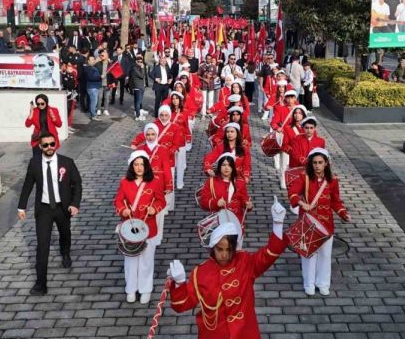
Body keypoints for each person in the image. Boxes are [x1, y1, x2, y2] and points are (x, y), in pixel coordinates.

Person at [168, 199, 288, 338]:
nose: (224, 255)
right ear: (213, 247)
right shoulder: (200, 273)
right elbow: (180, 306)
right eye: (220, 249)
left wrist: (278, 224)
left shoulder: (245, 262)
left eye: (229, 249)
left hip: (245, 332)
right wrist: (179, 283)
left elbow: (269, 254)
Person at [18, 133, 82, 296]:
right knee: (42, 246)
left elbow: (77, 184)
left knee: (65, 233)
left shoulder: (67, 162)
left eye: (51, 144)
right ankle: (41, 284)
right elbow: (27, 185)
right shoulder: (34, 164)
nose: (49, 147)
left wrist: (74, 204)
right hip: (44, 209)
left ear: (56, 144)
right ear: (40, 147)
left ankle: (65, 252)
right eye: (45, 145)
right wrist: (21, 207)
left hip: (62, 207)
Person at [287, 148, 350, 296]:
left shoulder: (332, 180)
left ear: (326, 163)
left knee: (325, 255)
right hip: (308, 222)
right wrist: (302, 204)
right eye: (314, 162)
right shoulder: (304, 177)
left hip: (326, 224)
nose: (317, 166)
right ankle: (308, 283)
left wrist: (343, 213)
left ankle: (323, 283)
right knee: (308, 254)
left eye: (320, 162)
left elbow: (336, 201)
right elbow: (293, 193)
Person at [114, 150, 166, 304]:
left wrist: (154, 209)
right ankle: (130, 289)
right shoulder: (124, 182)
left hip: (147, 227)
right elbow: (117, 201)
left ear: (146, 166)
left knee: (146, 260)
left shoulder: (155, 181)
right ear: (131, 166)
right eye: (136, 164)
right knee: (130, 260)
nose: (139, 168)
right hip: (130, 227)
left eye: (142, 164)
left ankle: (145, 289)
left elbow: (161, 201)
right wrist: (123, 210)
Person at [198, 153, 252, 225]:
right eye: (223, 165)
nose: (226, 168)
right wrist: (216, 202)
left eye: (229, 165)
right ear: (219, 166)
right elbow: (203, 202)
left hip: (236, 221)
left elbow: (244, 201)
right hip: (218, 221)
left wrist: (248, 205)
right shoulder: (211, 182)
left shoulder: (240, 182)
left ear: (233, 167)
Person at [84, 55, 102, 120]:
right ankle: (93, 115)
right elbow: (91, 78)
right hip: (92, 87)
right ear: (88, 61)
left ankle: (92, 114)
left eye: (93, 59)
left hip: (94, 87)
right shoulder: (88, 68)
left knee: (93, 102)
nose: (93, 61)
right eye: (91, 60)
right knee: (94, 102)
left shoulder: (92, 67)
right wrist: (100, 77)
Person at [130, 54, 147, 120]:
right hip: (138, 87)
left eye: (141, 61)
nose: (140, 63)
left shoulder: (138, 67)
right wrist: (142, 68)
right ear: (136, 61)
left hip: (140, 86)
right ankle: (138, 116)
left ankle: (136, 113)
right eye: (139, 61)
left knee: (137, 101)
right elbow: (142, 76)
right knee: (138, 102)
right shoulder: (135, 68)